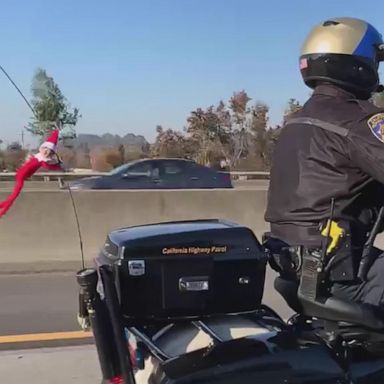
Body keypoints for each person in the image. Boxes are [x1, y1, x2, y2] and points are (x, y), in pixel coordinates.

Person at [264, 17, 384, 308]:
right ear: (359, 64)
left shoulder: (297, 122)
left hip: (297, 268)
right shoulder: (358, 121)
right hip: (342, 274)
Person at [0, 129, 64, 218]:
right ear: (42, 148)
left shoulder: (38, 156)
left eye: (48, 152)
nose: (46, 152)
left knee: (13, 196)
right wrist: (59, 167)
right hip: (21, 175)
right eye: (45, 150)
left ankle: (3, 209)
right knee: (13, 196)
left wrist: (56, 132)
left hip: (21, 174)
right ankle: (2, 212)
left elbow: (51, 142)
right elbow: (49, 167)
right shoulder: (42, 159)